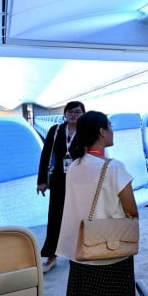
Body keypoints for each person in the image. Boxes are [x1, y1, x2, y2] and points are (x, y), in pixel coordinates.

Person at [55, 110, 138, 296]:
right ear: (102, 132)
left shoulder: (74, 166)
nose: (113, 131)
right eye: (111, 127)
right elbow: (131, 209)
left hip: (81, 254)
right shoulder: (113, 167)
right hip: (110, 255)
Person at [35, 101, 85, 273]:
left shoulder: (87, 131)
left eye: (77, 112)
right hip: (58, 179)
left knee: (79, 217)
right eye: (70, 112)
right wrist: (42, 180)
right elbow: (46, 155)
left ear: (83, 114)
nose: (73, 115)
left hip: (80, 180)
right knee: (56, 217)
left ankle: (77, 251)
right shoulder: (55, 130)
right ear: (65, 114)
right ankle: (51, 256)